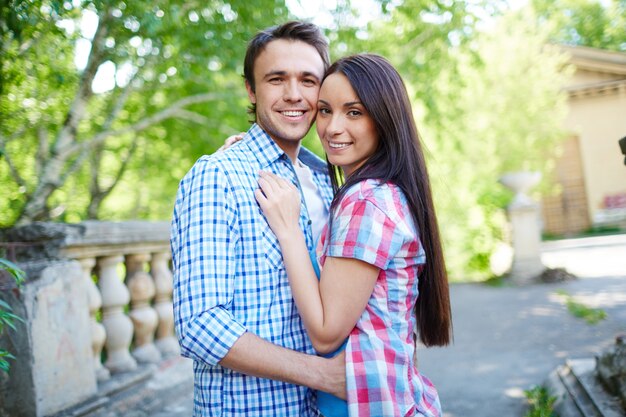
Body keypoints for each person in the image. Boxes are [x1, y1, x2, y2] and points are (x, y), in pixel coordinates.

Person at [256, 54, 453, 417]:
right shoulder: (377, 192)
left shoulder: (367, 201)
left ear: (384, 119)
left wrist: (288, 229)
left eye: (354, 112)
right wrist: (251, 149)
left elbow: (327, 332)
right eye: (326, 111)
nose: (332, 128)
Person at [170, 21, 346, 417]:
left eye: (308, 80)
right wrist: (321, 375)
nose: (294, 94)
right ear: (251, 89)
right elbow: (200, 326)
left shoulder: (328, 180)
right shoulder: (217, 176)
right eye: (276, 79)